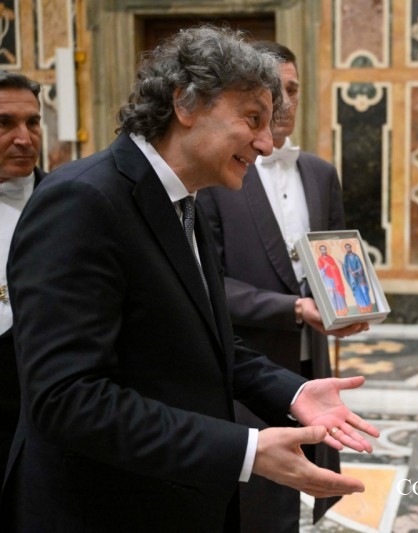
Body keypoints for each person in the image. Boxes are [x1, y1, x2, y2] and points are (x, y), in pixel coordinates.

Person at [0, 25, 379, 533]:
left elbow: (207, 340)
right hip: (102, 508)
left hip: (172, 498)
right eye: (253, 119)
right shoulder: (84, 201)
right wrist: (247, 449)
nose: (267, 144)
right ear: (185, 103)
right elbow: (67, 399)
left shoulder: (185, 198)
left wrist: (292, 393)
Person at [198, 40, 368, 532]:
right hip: (244, 361)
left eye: (291, 89)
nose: (284, 101)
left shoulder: (319, 173)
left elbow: (335, 261)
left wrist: (345, 307)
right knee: (252, 494)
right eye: (273, 89)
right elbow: (210, 285)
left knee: (298, 485)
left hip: (310, 359)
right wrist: (293, 308)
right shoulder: (216, 174)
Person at [0, 72, 44, 486]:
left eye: (32, 122)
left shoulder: (72, 203)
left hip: (42, 419)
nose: (24, 138)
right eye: (4, 124)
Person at [318, 244, 348, 316]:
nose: (323, 250)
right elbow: (320, 271)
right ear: (320, 250)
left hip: (335, 279)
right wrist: (325, 267)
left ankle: (341, 311)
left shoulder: (330, 258)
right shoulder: (320, 259)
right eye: (322, 249)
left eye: (324, 249)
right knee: (331, 295)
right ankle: (333, 312)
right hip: (328, 279)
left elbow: (335, 267)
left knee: (338, 294)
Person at [343, 243, 373, 313]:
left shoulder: (356, 256)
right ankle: (362, 308)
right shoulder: (346, 257)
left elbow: (361, 267)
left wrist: (355, 272)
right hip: (353, 279)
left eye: (348, 247)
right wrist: (344, 267)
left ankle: (368, 308)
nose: (348, 249)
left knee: (364, 291)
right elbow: (347, 267)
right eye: (346, 248)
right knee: (357, 293)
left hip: (360, 278)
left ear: (351, 248)